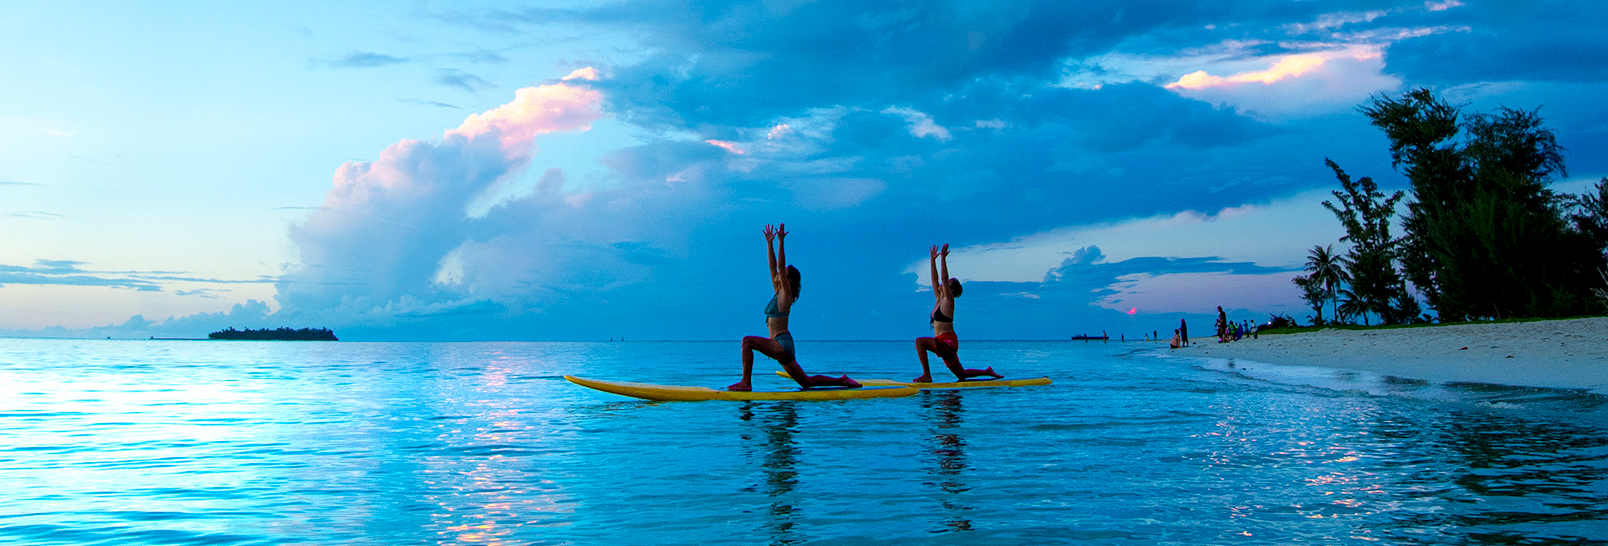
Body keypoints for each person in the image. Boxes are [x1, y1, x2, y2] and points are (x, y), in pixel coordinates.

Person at [729, 224, 860, 392]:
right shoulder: (778, 293)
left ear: (788, 280)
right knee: (806, 382)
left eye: (783, 272)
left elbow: (780, 266)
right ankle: (842, 380)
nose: (779, 272)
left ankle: (746, 383)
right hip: (781, 346)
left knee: (747, 341)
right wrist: (769, 243)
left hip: (781, 344)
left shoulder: (785, 295)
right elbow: (772, 266)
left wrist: (781, 241)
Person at [914, 244, 1003, 383]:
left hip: (946, 343)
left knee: (919, 342)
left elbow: (943, 278)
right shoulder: (939, 299)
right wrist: (932, 260)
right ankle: (988, 371)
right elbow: (935, 280)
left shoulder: (948, 301)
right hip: (945, 343)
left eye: (949, 283)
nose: (944, 283)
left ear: (952, 290)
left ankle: (927, 375)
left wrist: (943, 258)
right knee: (962, 375)